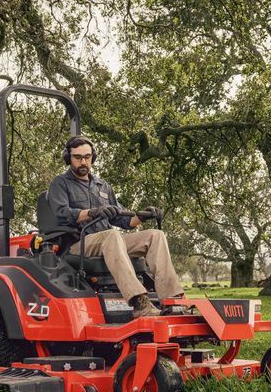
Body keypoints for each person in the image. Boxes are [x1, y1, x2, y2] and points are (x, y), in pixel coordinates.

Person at [47, 135, 185, 318]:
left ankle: (173, 301)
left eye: (87, 157)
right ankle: (140, 302)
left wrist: (142, 215)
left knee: (155, 235)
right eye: (78, 157)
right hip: (79, 243)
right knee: (112, 235)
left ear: (93, 157)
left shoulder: (102, 186)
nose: (83, 162)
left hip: (110, 241)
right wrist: (92, 212)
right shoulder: (60, 183)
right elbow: (62, 213)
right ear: (68, 158)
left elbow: (124, 221)